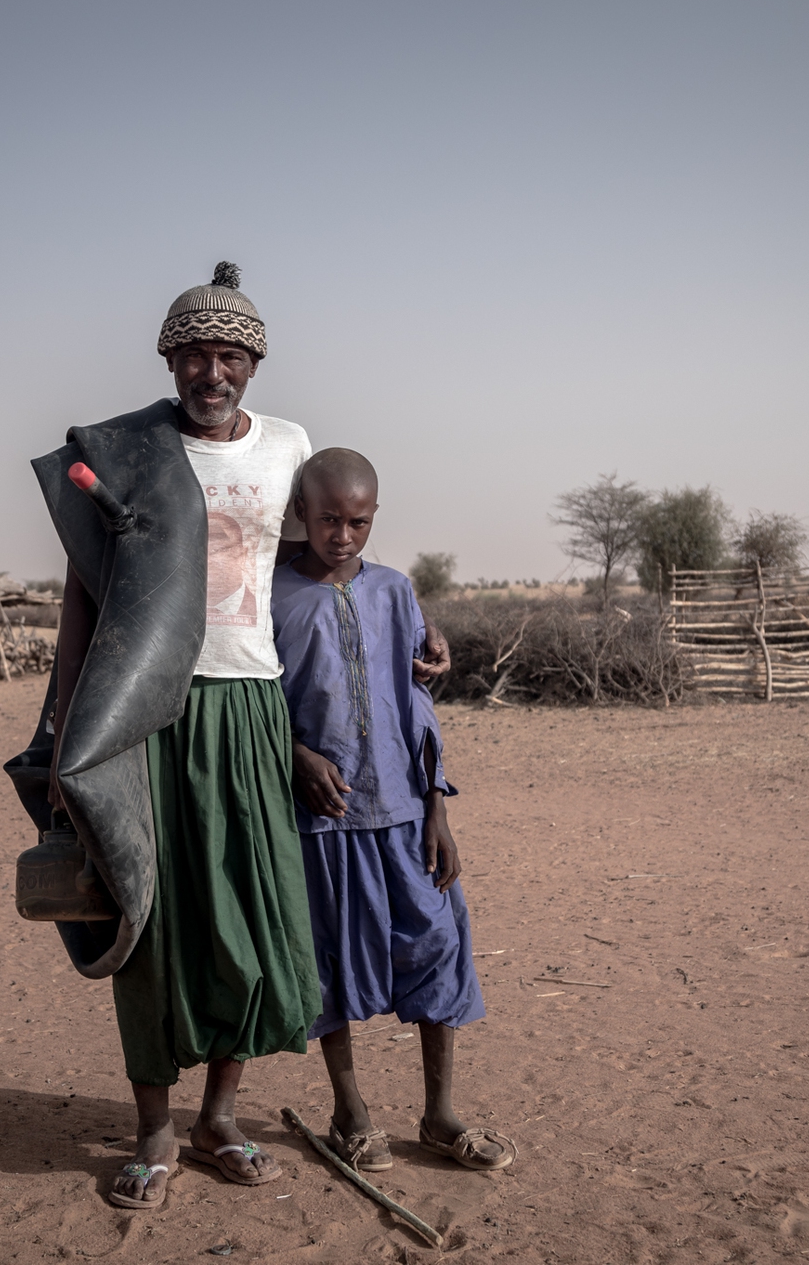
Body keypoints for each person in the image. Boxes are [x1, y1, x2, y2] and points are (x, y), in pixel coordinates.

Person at [5, 264, 453, 1213]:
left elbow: (326, 555)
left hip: (254, 709)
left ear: (253, 364)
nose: (214, 371)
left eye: (231, 356)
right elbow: (86, 595)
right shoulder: (122, 454)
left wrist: (406, 629)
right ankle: (156, 1130)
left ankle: (221, 1117)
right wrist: (57, 726)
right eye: (197, 354)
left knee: (250, 916)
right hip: (146, 707)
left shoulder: (287, 448)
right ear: (170, 359)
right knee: (151, 916)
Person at [272, 447, 514, 1173]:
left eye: (358, 522)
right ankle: (351, 1111)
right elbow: (251, 703)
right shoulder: (271, 597)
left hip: (406, 815)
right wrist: (292, 754)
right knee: (329, 968)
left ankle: (440, 1115)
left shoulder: (396, 592)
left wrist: (438, 811)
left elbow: (418, 705)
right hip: (322, 819)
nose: (342, 536)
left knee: (436, 949)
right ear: (300, 516)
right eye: (327, 520)